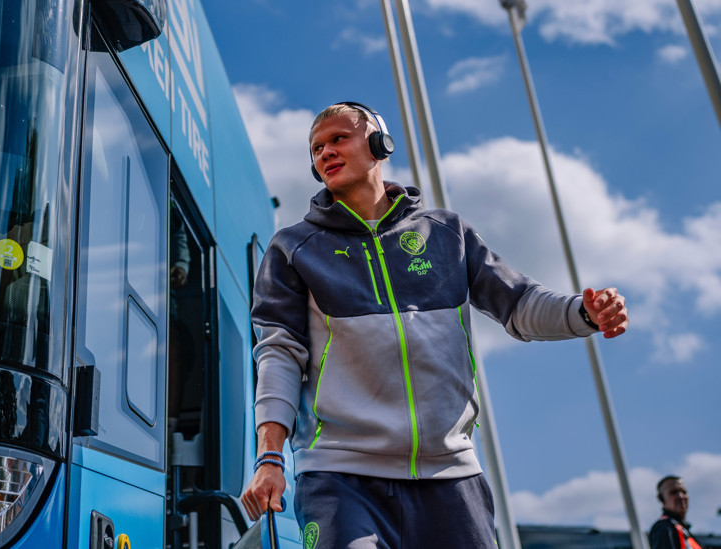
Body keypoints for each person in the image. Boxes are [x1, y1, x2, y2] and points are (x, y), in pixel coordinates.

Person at [240, 102, 630, 548]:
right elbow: (279, 355)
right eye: (316, 148)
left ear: (378, 143)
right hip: (339, 477)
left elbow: (519, 304)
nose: (324, 152)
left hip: (452, 477)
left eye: (337, 139)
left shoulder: (446, 233)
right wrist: (270, 456)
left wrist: (583, 312)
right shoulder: (293, 248)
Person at [650, 475, 702, 549]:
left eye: (684, 492)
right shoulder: (664, 528)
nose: (681, 497)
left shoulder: (685, 533)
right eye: (674, 492)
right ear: (661, 499)